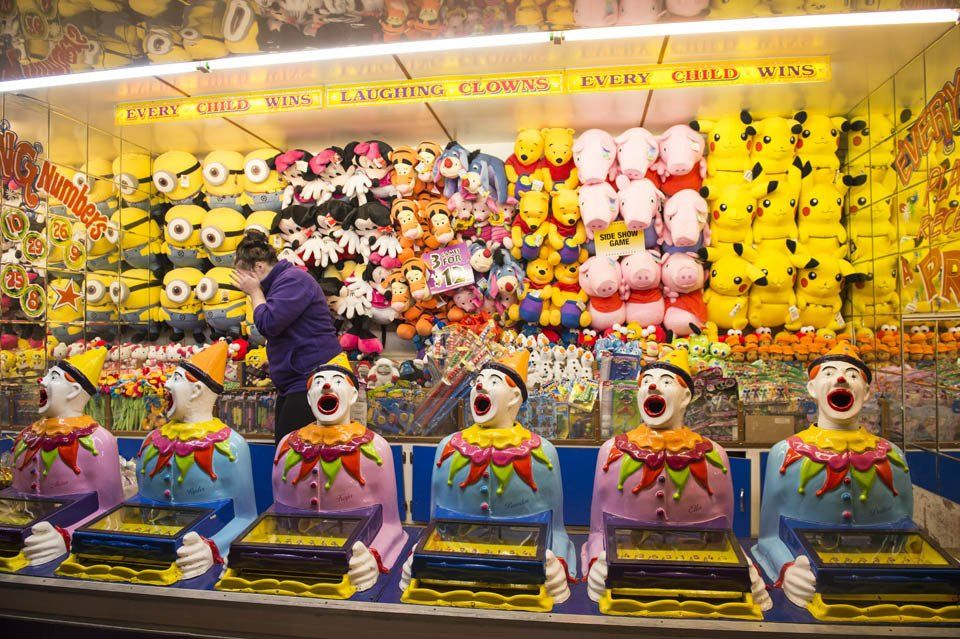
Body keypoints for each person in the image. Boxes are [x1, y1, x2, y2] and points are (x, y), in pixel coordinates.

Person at [231, 230, 342, 445]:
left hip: (310, 381)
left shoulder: (293, 281)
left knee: (291, 453)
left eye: (242, 276)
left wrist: (255, 293)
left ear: (259, 267)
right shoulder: (280, 283)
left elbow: (268, 324)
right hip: (296, 381)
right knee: (286, 449)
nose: (241, 284)